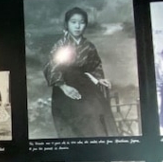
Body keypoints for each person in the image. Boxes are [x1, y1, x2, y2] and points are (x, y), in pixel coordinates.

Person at [43, 7, 118, 138]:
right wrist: (64, 87)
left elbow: (95, 65)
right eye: (73, 22)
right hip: (65, 86)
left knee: (100, 110)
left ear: (85, 25)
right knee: (86, 114)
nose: (78, 26)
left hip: (86, 84)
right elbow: (52, 67)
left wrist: (99, 79)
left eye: (81, 22)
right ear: (67, 24)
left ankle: (103, 151)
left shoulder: (88, 46)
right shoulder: (60, 45)